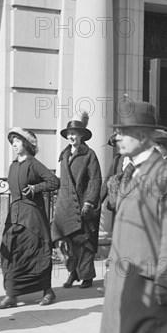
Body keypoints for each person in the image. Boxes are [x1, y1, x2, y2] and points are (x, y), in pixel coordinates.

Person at [99, 100, 167, 333]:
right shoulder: (131, 173)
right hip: (129, 281)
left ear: (142, 135)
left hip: (152, 283)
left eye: (123, 132)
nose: (116, 137)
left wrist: (165, 281)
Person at [0, 128, 60, 309]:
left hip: (32, 217)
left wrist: (35, 189)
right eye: (13, 142)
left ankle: (47, 291)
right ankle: (12, 293)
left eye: (17, 141)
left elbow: (54, 181)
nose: (14, 145)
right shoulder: (13, 165)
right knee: (9, 253)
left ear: (27, 144)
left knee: (35, 252)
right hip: (14, 216)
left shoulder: (33, 163)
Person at [51, 112, 102, 289]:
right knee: (66, 241)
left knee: (85, 241)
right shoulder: (63, 155)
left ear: (81, 136)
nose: (72, 137)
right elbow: (62, 181)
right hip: (66, 204)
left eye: (75, 134)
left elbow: (96, 180)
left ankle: (86, 276)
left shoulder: (90, 154)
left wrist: (89, 202)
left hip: (83, 204)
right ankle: (72, 272)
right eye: (69, 134)